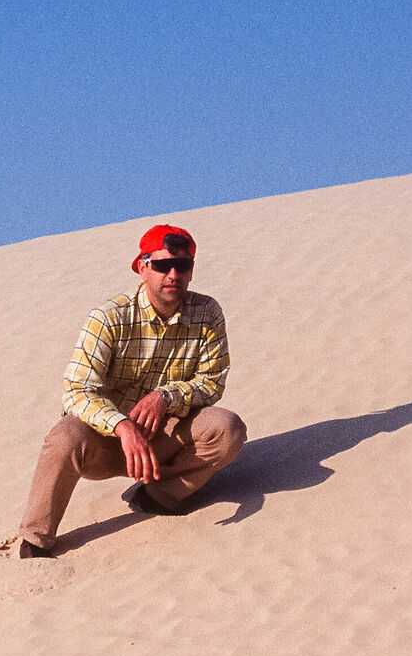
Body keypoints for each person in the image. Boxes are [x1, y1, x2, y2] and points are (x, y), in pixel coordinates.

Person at [15, 224, 246, 557]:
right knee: (64, 437)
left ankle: (159, 496)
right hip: (103, 442)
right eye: (162, 265)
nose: (172, 274)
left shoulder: (207, 313)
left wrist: (166, 397)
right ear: (142, 267)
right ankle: (35, 541)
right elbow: (77, 391)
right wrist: (122, 427)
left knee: (227, 429)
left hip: (162, 441)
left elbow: (212, 382)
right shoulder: (108, 318)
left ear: (191, 271)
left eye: (182, 266)